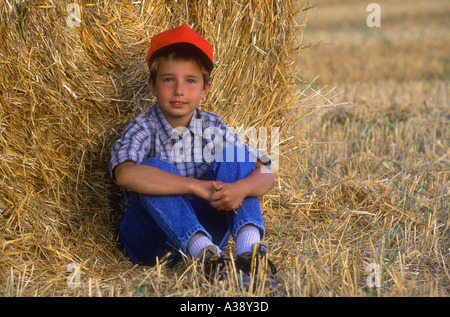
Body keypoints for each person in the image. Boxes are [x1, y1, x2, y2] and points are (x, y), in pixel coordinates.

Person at [110, 24, 277, 283]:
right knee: (154, 166)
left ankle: (249, 254)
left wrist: (241, 189)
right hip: (150, 243)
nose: (179, 90)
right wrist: (195, 186)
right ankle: (206, 255)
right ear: (152, 86)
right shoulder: (143, 127)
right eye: (168, 79)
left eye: (190, 81)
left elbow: (266, 169)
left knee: (237, 156)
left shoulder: (212, 126)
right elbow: (124, 174)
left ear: (205, 89)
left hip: (210, 233)